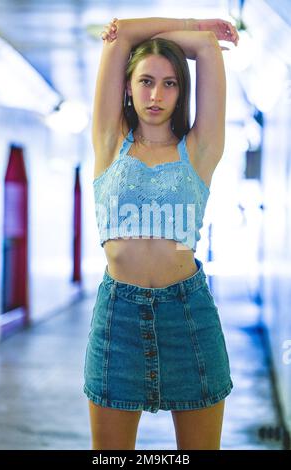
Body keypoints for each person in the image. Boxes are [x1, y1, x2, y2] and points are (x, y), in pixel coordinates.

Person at [84, 16, 239, 450]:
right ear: (127, 86)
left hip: (187, 316)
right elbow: (120, 36)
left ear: (181, 90)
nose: (156, 95)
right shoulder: (109, 141)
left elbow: (208, 47)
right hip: (118, 316)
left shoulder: (200, 148)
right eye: (146, 80)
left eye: (170, 83)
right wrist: (180, 27)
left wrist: (197, 31)